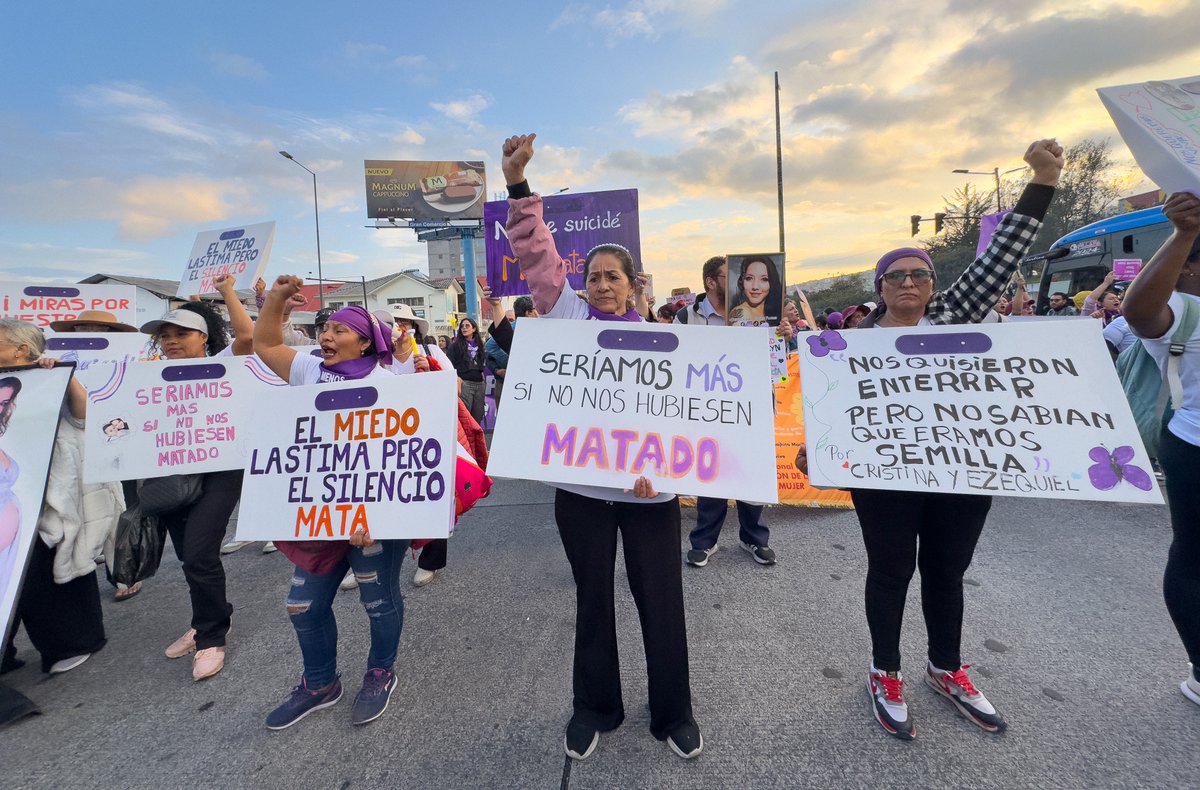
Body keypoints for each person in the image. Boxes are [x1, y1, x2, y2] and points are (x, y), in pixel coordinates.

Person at [798, 138, 1063, 740]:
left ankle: (946, 667)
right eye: (897, 276)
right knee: (890, 573)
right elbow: (831, 415)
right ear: (880, 286)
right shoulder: (849, 347)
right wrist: (823, 451)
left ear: (934, 284)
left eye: (921, 274)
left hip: (959, 473)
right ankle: (884, 671)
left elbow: (1000, 256)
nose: (910, 283)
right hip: (888, 481)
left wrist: (1042, 180)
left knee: (947, 571)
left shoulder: (952, 317)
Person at [504, 132, 702, 761]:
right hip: (583, 493)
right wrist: (517, 186)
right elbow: (537, 254)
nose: (603, 285)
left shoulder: (666, 339)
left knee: (662, 603)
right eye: (593, 276)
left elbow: (689, 420)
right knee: (593, 600)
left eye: (613, 276)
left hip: (650, 494)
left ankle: (673, 714)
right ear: (580, 283)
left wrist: (667, 472)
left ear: (631, 285)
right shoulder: (565, 317)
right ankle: (595, 708)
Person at [254, 279, 410, 729]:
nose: (326, 335)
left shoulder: (388, 383)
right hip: (320, 516)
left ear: (365, 340)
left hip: (371, 521)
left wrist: (379, 514)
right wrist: (278, 300)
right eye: (325, 328)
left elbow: (402, 458)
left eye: (340, 330)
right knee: (302, 605)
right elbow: (264, 342)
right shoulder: (306, 369)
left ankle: (380, 671)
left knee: (377, 599)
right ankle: (319, 683)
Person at [138, 275, 252, 681]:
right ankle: (211, 616)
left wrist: (226, 292)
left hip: (220, 472)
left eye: (181, 333)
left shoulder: (223, 365)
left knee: (201, 551)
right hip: (171, 474)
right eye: (164, 335)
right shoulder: (146, 380)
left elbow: (247, 336)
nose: (171, 340)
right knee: (189, 556)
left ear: (204, 338)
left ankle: (211, 637)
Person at [0, 320, 123, 675]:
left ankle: (70, 642)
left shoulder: (48, 379)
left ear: (21, 349)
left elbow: (87, 418)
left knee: (47, 567)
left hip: (46, 493)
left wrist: (64, 377)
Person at [1120, 191, 1200, 708]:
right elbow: (1136, 311)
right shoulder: (1181, 311)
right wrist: (1184, 233)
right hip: (1193, 446)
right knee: (1193, 556)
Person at [675, 255, 777, 570]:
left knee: (750, 471)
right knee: (712, 472)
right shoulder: (686, 317)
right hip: (708, 409)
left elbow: (776, 364)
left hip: (752, 406)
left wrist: (782, 337)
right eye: (727, 275)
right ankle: (704, 542)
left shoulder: (756, 313)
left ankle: (754, 538)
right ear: (710, 281)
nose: (735, 281)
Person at [375, 305, 456, 589]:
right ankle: (370, 560)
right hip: (385, 440)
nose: (398, 326)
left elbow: (454, 387)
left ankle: (430, 560)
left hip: (428, 435)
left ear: (413, 327)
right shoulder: (376, 359)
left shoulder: (431, 353)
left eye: (403, 321)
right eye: (392, 322)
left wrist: (432, 371)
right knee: (383, 497)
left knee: (431, 495)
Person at [447, 318, 486, 424]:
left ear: (474, 329)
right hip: (464, 383)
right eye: (462, 326)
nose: (464, 328)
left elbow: (482, 362)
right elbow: (449, 364)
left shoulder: (480, 345)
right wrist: (456, 379)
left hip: (479, 383)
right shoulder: (455, 346)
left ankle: (477, 439)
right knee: (466, 417)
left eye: (467, 326)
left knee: (478, 415)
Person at [727, 256, 782, 326]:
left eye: (764, 279)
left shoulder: (774, 311)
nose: (755, 287)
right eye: (749, 278)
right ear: (742, 281)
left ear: (772, 282)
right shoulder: (743, 312)